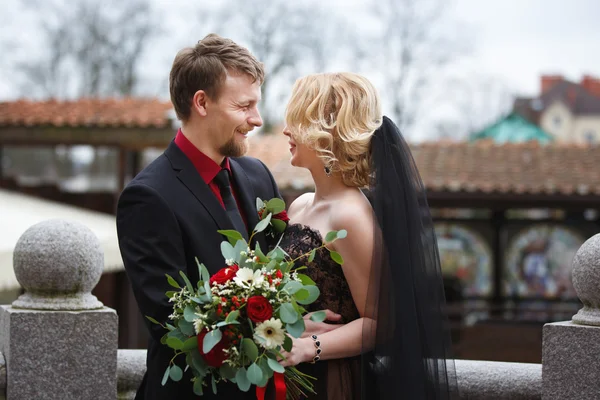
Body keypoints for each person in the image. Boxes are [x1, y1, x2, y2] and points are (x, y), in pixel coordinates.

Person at [116, 34, 342, 400]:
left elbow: (280, 275)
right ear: (202, 103)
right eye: (244, 106)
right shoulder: (147, 198)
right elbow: (175, 325)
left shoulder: (257, 175)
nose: (256, 119)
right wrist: (288, 333)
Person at [276, 72, 458, 399]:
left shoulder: (351, 215)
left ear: (327, 132)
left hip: (326, 380)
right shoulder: (300, 204)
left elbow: (380, 322)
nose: (286, 131)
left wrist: (308, 347)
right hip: (285, 373)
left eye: (297, 121)